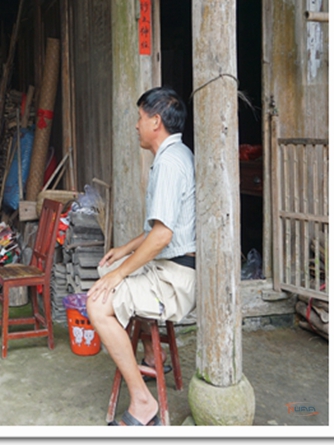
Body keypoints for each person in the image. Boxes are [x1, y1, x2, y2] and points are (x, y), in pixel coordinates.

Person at [87, 87, 196, 427]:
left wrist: (118, 275)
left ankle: (143, 401)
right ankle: (152, 354)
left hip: (175, 277)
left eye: (140, 118)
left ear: (156, 121)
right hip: (172, 265)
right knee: (112, 268)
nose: (136, 125)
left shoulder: (169, 163)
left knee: (97, 304)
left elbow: (162, 237)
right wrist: (124, 251)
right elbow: (160, 229)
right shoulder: (175, 155)